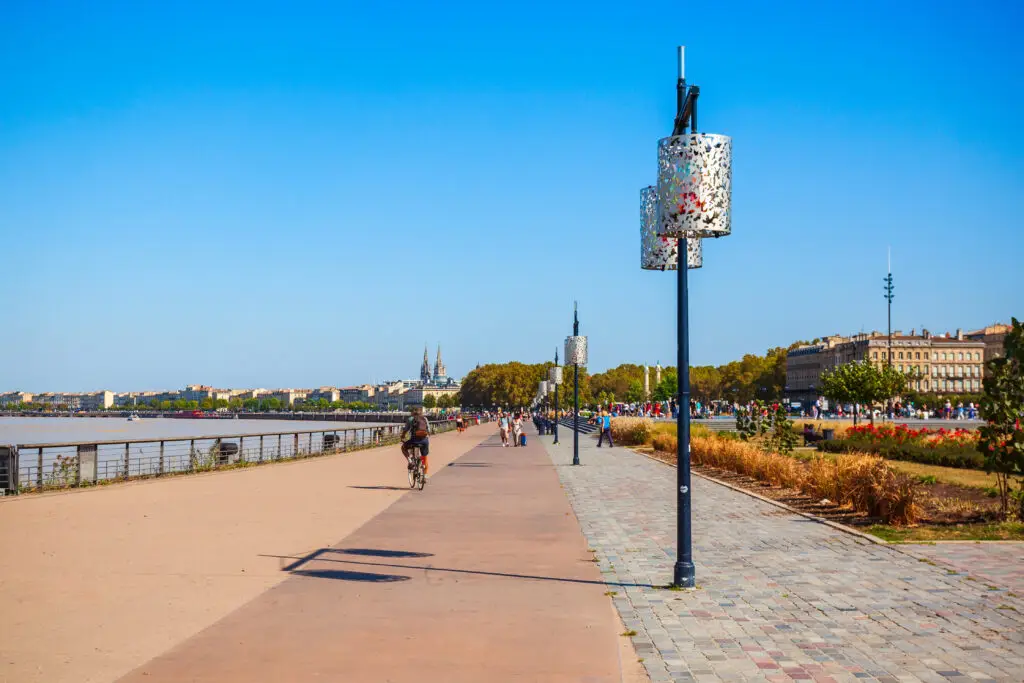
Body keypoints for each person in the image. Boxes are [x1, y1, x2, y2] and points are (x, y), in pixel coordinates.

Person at [401, 405, 430, 475]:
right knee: (425, 457)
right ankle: (425, 476)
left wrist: (402, 437)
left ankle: (410, 461)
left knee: (403, 448)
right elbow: (428, 431)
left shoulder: (410, 419)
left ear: (413, 412)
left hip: (414, 441)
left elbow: (405, 430)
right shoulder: (425, 419)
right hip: (424, 441)